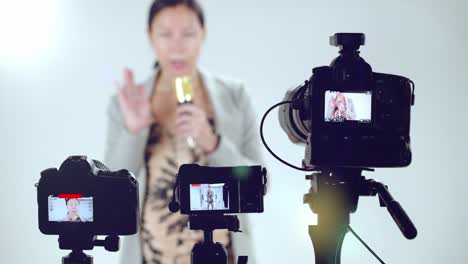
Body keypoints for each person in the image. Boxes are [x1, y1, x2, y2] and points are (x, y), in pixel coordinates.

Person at [103, 1, 263, 263]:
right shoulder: (127, 103)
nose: (177, 46)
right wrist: (135, 131)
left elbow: (259, 185)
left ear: (203, 34)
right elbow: (111, 195)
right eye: (165, 34)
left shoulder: (234, 96)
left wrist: (214, 143)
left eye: (188, 34)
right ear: (150, 36)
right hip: (152, 255)